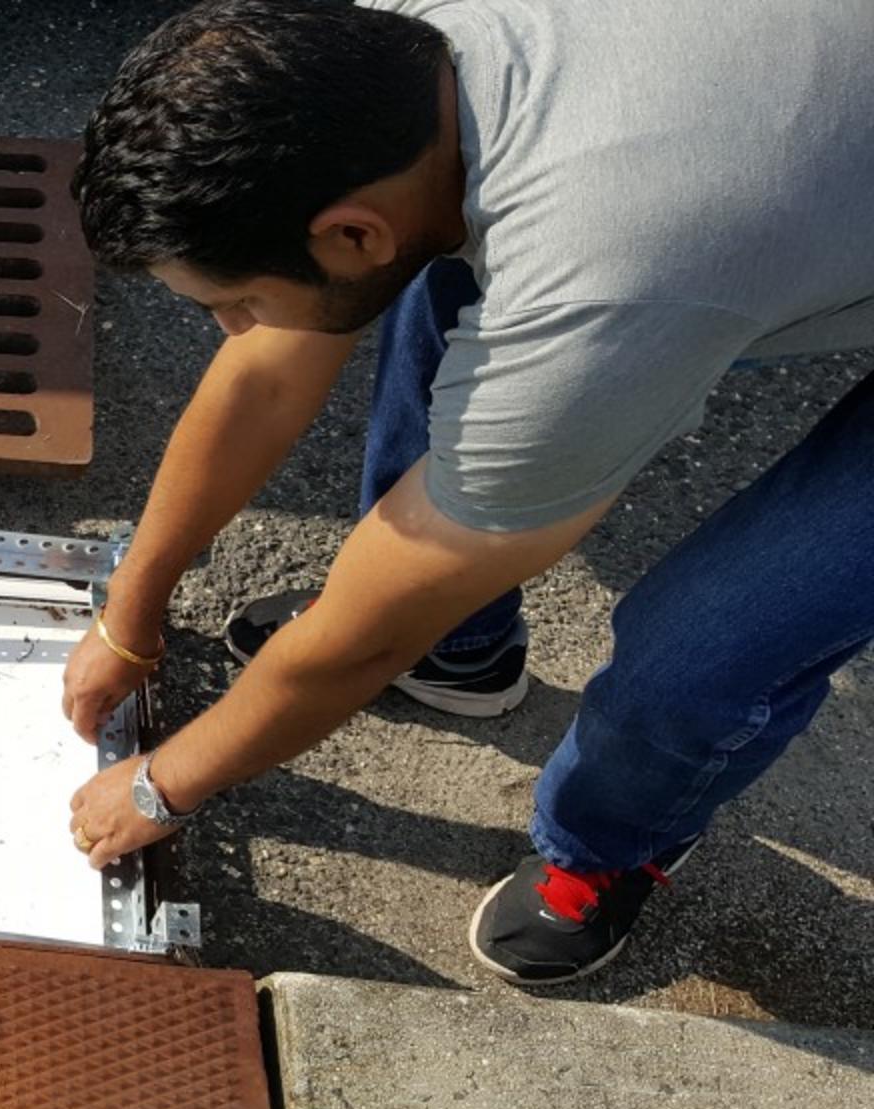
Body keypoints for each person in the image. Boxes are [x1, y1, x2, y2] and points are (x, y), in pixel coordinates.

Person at [61, 0, 874, 983]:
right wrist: (130, 615)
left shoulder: (590, 293)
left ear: (352, 231)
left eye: (235, 301)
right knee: (445, 260)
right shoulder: (397, 55)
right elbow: (271, 374)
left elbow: (367, 632)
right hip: (775, 173)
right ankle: (463, 652)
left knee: (707, 642)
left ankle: (612, 845)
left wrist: (158, 788)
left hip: (682, 228)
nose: (231, 328)